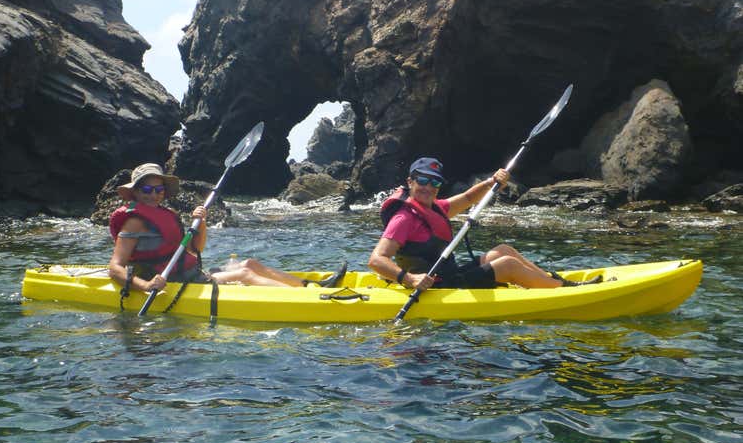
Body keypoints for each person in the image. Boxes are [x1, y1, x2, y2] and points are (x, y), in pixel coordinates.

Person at [368, 157, 602, 290]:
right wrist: (408, 279)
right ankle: (563, 293)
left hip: (450, 275)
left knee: (503, 251)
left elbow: (469, 198)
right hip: (435, 286)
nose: (428, 187)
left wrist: (493, 182)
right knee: (507, 264)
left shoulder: (437, 207)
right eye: (422, 180)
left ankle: (556, 283)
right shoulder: (403, 218)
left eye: (435, 183)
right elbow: (376, 260)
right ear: (410, 181)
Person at [108, 163, 344, 292]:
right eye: (147, 190)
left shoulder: (166, 214)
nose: (154, 195)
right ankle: (307, 299)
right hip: (172, 280)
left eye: (159, 190)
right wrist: (145, 286)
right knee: (244, 273)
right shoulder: (134, 221)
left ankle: (310, 286)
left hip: (190, 273)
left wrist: (201, 223)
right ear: (136, 192)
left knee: (250, 263)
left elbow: (194, 249)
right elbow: (115, 267)